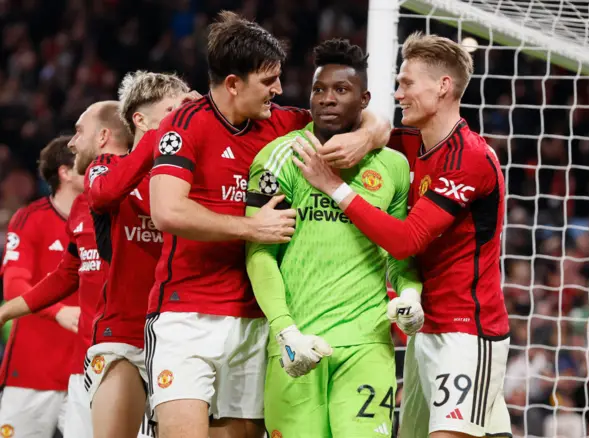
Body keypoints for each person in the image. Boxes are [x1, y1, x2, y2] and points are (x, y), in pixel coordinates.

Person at [146, 11, 391, 438]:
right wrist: (250, 228)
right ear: (233, 84)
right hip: (187, 313)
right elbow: (167, 211)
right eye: (268, 80)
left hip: (256, 319)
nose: (278, 90)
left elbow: (363, 117)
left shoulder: (280, 123)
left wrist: (367, 135)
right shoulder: (184, 125)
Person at [291, 32, 512, 438]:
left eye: (407, 83)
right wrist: (366, 135)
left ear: (443, 86)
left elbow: (406, 241)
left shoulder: (471, 158)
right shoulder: (412, 141)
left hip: (467, 331)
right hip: (424, 332)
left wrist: (334, 188)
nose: (397, 93)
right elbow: (374, 123)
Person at [245, 39, 422, 438]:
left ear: (364, 99)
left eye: (341, 90)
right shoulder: (281, 157)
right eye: (318, 90)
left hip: (366, 344)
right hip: (297, 344)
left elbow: (399, 251)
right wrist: (285, 330)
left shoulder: (392, 166)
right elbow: (260, 254)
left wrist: (410, 294)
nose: (326, 99)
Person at [77, 71, 199, 438]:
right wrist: (167, 134)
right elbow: (103, 195)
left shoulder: (190, 181)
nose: (182, 118)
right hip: (124, 333)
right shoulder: (107, 166)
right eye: (172, 110)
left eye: (184, 111)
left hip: (183, 334)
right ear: (140, 120)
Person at [0, 136, 83, 437]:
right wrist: (58, 311)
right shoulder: (29, 219)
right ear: (65, 172)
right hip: (33, 372)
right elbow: (14, 285)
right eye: (86, 164)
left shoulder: (104, 220)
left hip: (88, 371)